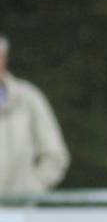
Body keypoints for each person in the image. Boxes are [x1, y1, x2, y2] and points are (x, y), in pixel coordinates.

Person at [0, 34, 70, 195]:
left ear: (3, 60)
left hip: (18, 211)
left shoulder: (28, 98)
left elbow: (55, 154)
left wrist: (33, 188)